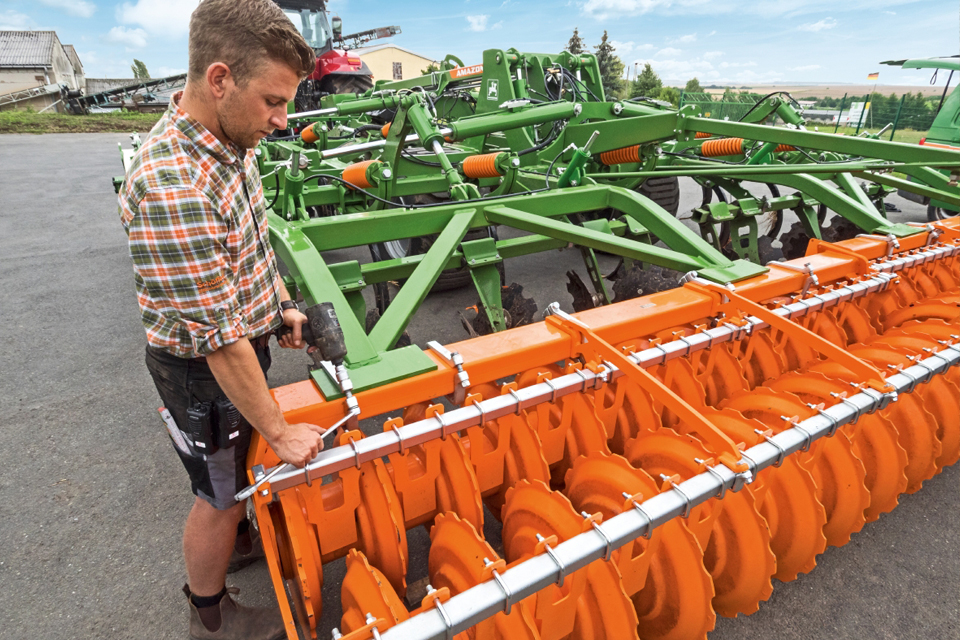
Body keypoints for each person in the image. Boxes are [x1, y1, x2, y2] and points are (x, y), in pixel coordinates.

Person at [118, 1, 325, 638]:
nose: (282, 120)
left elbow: (253, 240)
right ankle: (211, 618)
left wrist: (279, 302)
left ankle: (238, 537)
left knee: (232, 475)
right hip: (202, 372)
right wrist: (281, 433)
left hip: (232, 347)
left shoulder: (229, 142)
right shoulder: (175, 185)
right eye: (273, 101)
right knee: (218, 495)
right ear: (219, 79)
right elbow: (218, 341)